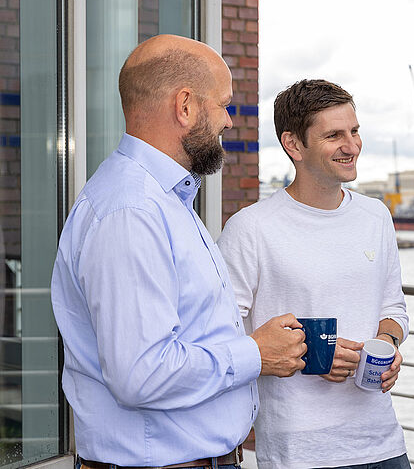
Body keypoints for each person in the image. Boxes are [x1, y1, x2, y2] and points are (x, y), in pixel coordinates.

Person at [50, 35, 307, 468]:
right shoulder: (132, 211)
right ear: (185, 106)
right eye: (223, 104)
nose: (228, 120)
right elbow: (142, 374)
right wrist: (255, 353)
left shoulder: (161, 201)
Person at [217, 79, 410, 469]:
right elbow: (222, 335)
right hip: (299, 451)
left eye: (355, 131)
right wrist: (312, 354)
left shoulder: (376, 216)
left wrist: (387, 344)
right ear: (293, 145)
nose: (352, 146)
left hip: (382, 441)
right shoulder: (250, 228)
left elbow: (394, 306)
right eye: (334, 135)